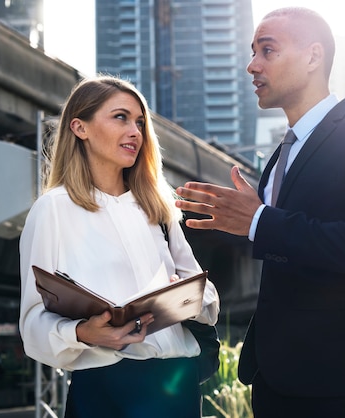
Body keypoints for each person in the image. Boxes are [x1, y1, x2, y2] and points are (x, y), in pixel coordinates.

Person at [174, 6, 345, 418]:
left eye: (267, 51)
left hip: (343, 387)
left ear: (313, 57)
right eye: (253, 52)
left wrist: (259, 221)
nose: (252, 66)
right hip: (274, 383)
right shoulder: (280, 154)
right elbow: (287, 250)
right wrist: (247, 223)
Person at [19, 76, 220, 417]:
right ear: (79, 127)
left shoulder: (159, 208)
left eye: (140, 122)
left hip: (177, 385)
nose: (135, 132)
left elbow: (209, 297)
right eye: (120, 117)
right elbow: (32, 322)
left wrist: (187, 299)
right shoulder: (53, 209)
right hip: (103, 390)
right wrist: (83, 332)